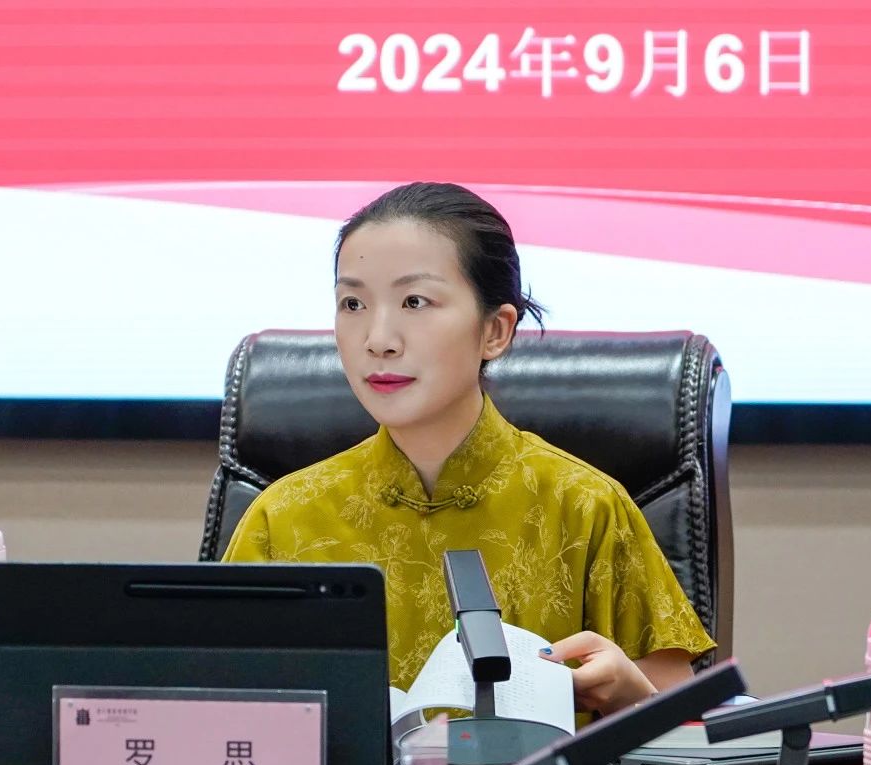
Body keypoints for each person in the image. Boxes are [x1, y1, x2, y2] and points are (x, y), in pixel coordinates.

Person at [222, 182, 714, 716]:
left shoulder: (585, 507)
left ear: (495, 331)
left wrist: (631, 700)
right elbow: (215, 713)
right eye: (353, 303)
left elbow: (688, 737)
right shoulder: (283, 518)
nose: (378, 339)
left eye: (415, 302)